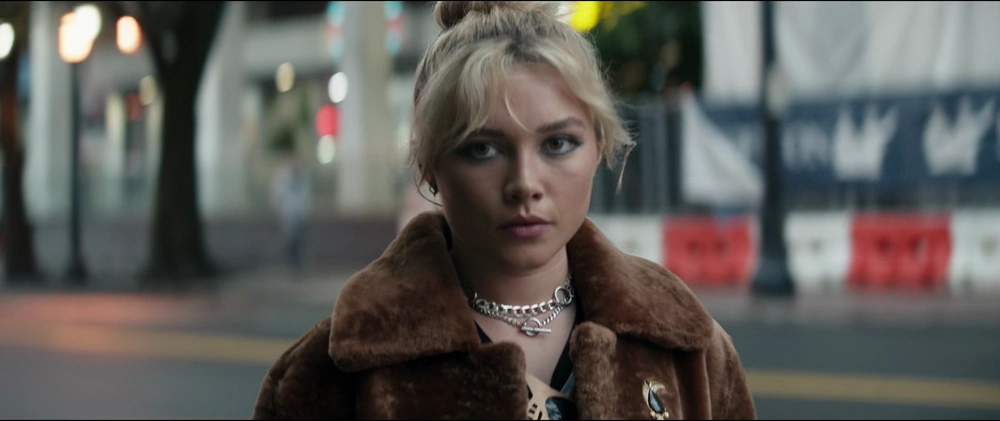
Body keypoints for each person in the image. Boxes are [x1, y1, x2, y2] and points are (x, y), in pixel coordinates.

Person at [252, 2, 756, 419]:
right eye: (483, 149)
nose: (525, 184)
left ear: (599, 147)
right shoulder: (327, 376)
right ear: (429, 166)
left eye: (558, 143)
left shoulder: (689, 348)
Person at [270, 154, 311, 274]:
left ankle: (297, 265)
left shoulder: (302, 179)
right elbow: (277, 196)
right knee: (290, 241)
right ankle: (291, 264)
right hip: (287, 215)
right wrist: (280, 210)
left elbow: (306, 197)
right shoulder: (283, 179)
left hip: (299, 215)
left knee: (299, 241)